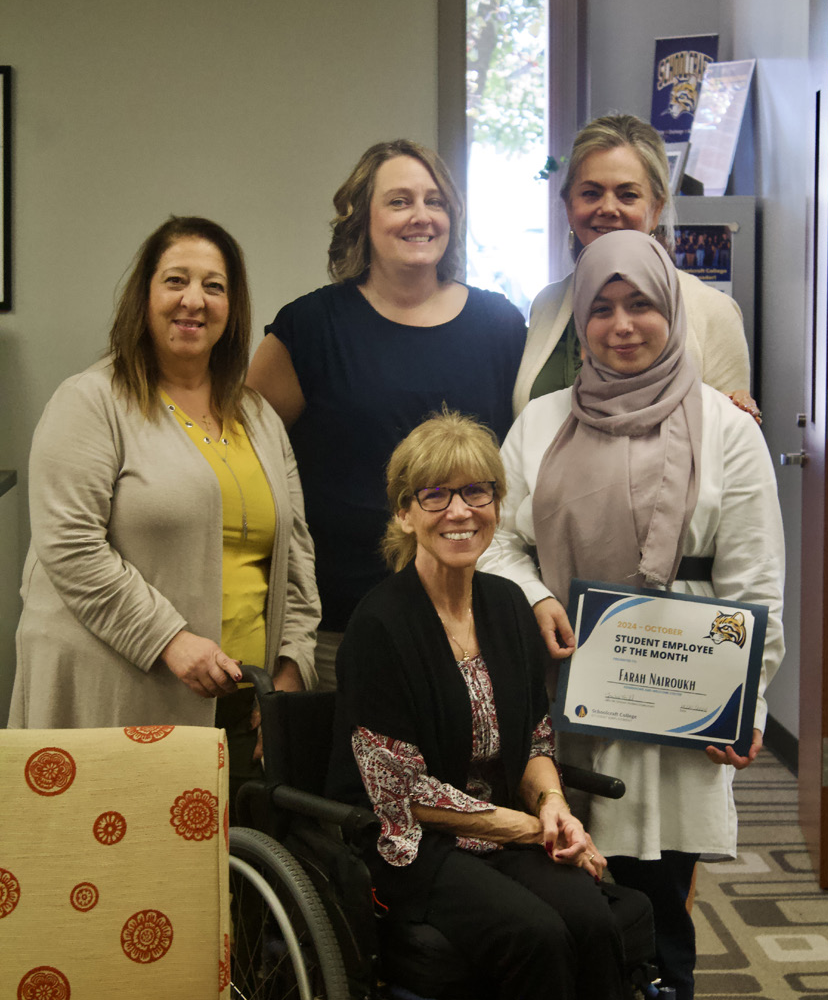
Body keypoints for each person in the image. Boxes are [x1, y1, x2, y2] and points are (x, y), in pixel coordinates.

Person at [480, 230, 785, 1000]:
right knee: (570, 913)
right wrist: (537, 594)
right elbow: (498, 539)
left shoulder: (727, 430)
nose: (621, 325)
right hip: (564, 703)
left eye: (640, 304)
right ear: (579, 323)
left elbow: (754, 582)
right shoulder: (541, 422)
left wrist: (746, 705)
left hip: (680, 717)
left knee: (656, 922)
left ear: (670, 311)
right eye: (601, 308)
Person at [327, 410, 651, 1000]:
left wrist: (555, 809)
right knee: (534, 935)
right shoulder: (379, 624)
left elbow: (534, 740)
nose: (459, 511)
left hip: (505, 829)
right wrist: (532, 832)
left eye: (477, 492)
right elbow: (401, 792)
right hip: (414, 846)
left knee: (594, 926)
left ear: (497, 506)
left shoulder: (507, 605)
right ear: (405, 513)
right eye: (435, 495)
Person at [9, 216, 321, 806]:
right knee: (111, 878)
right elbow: (70, 546)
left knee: (218, 888)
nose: (193, 301)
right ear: (145, 296)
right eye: (176, 281)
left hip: (241, 708)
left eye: (214, 286)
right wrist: (171, 639)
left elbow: (296, 559)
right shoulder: (91, 401)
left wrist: (288, 673)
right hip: (118, 694)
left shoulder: (258, 417)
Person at [248, 140, 526, 689]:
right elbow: (242, 457)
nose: (422, 215)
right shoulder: (310, 327)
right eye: (400, 201)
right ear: (361, 219)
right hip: (338, 628)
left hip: (469, 622)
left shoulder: (499, 326)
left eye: (435, 200)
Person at [513, 113, 759, 422]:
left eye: (627, 195)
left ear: (656, 209)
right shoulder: (547, 305)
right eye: (591, 193)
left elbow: (732, 443)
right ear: (569, 206)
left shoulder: (713, 311)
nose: (608, 208)